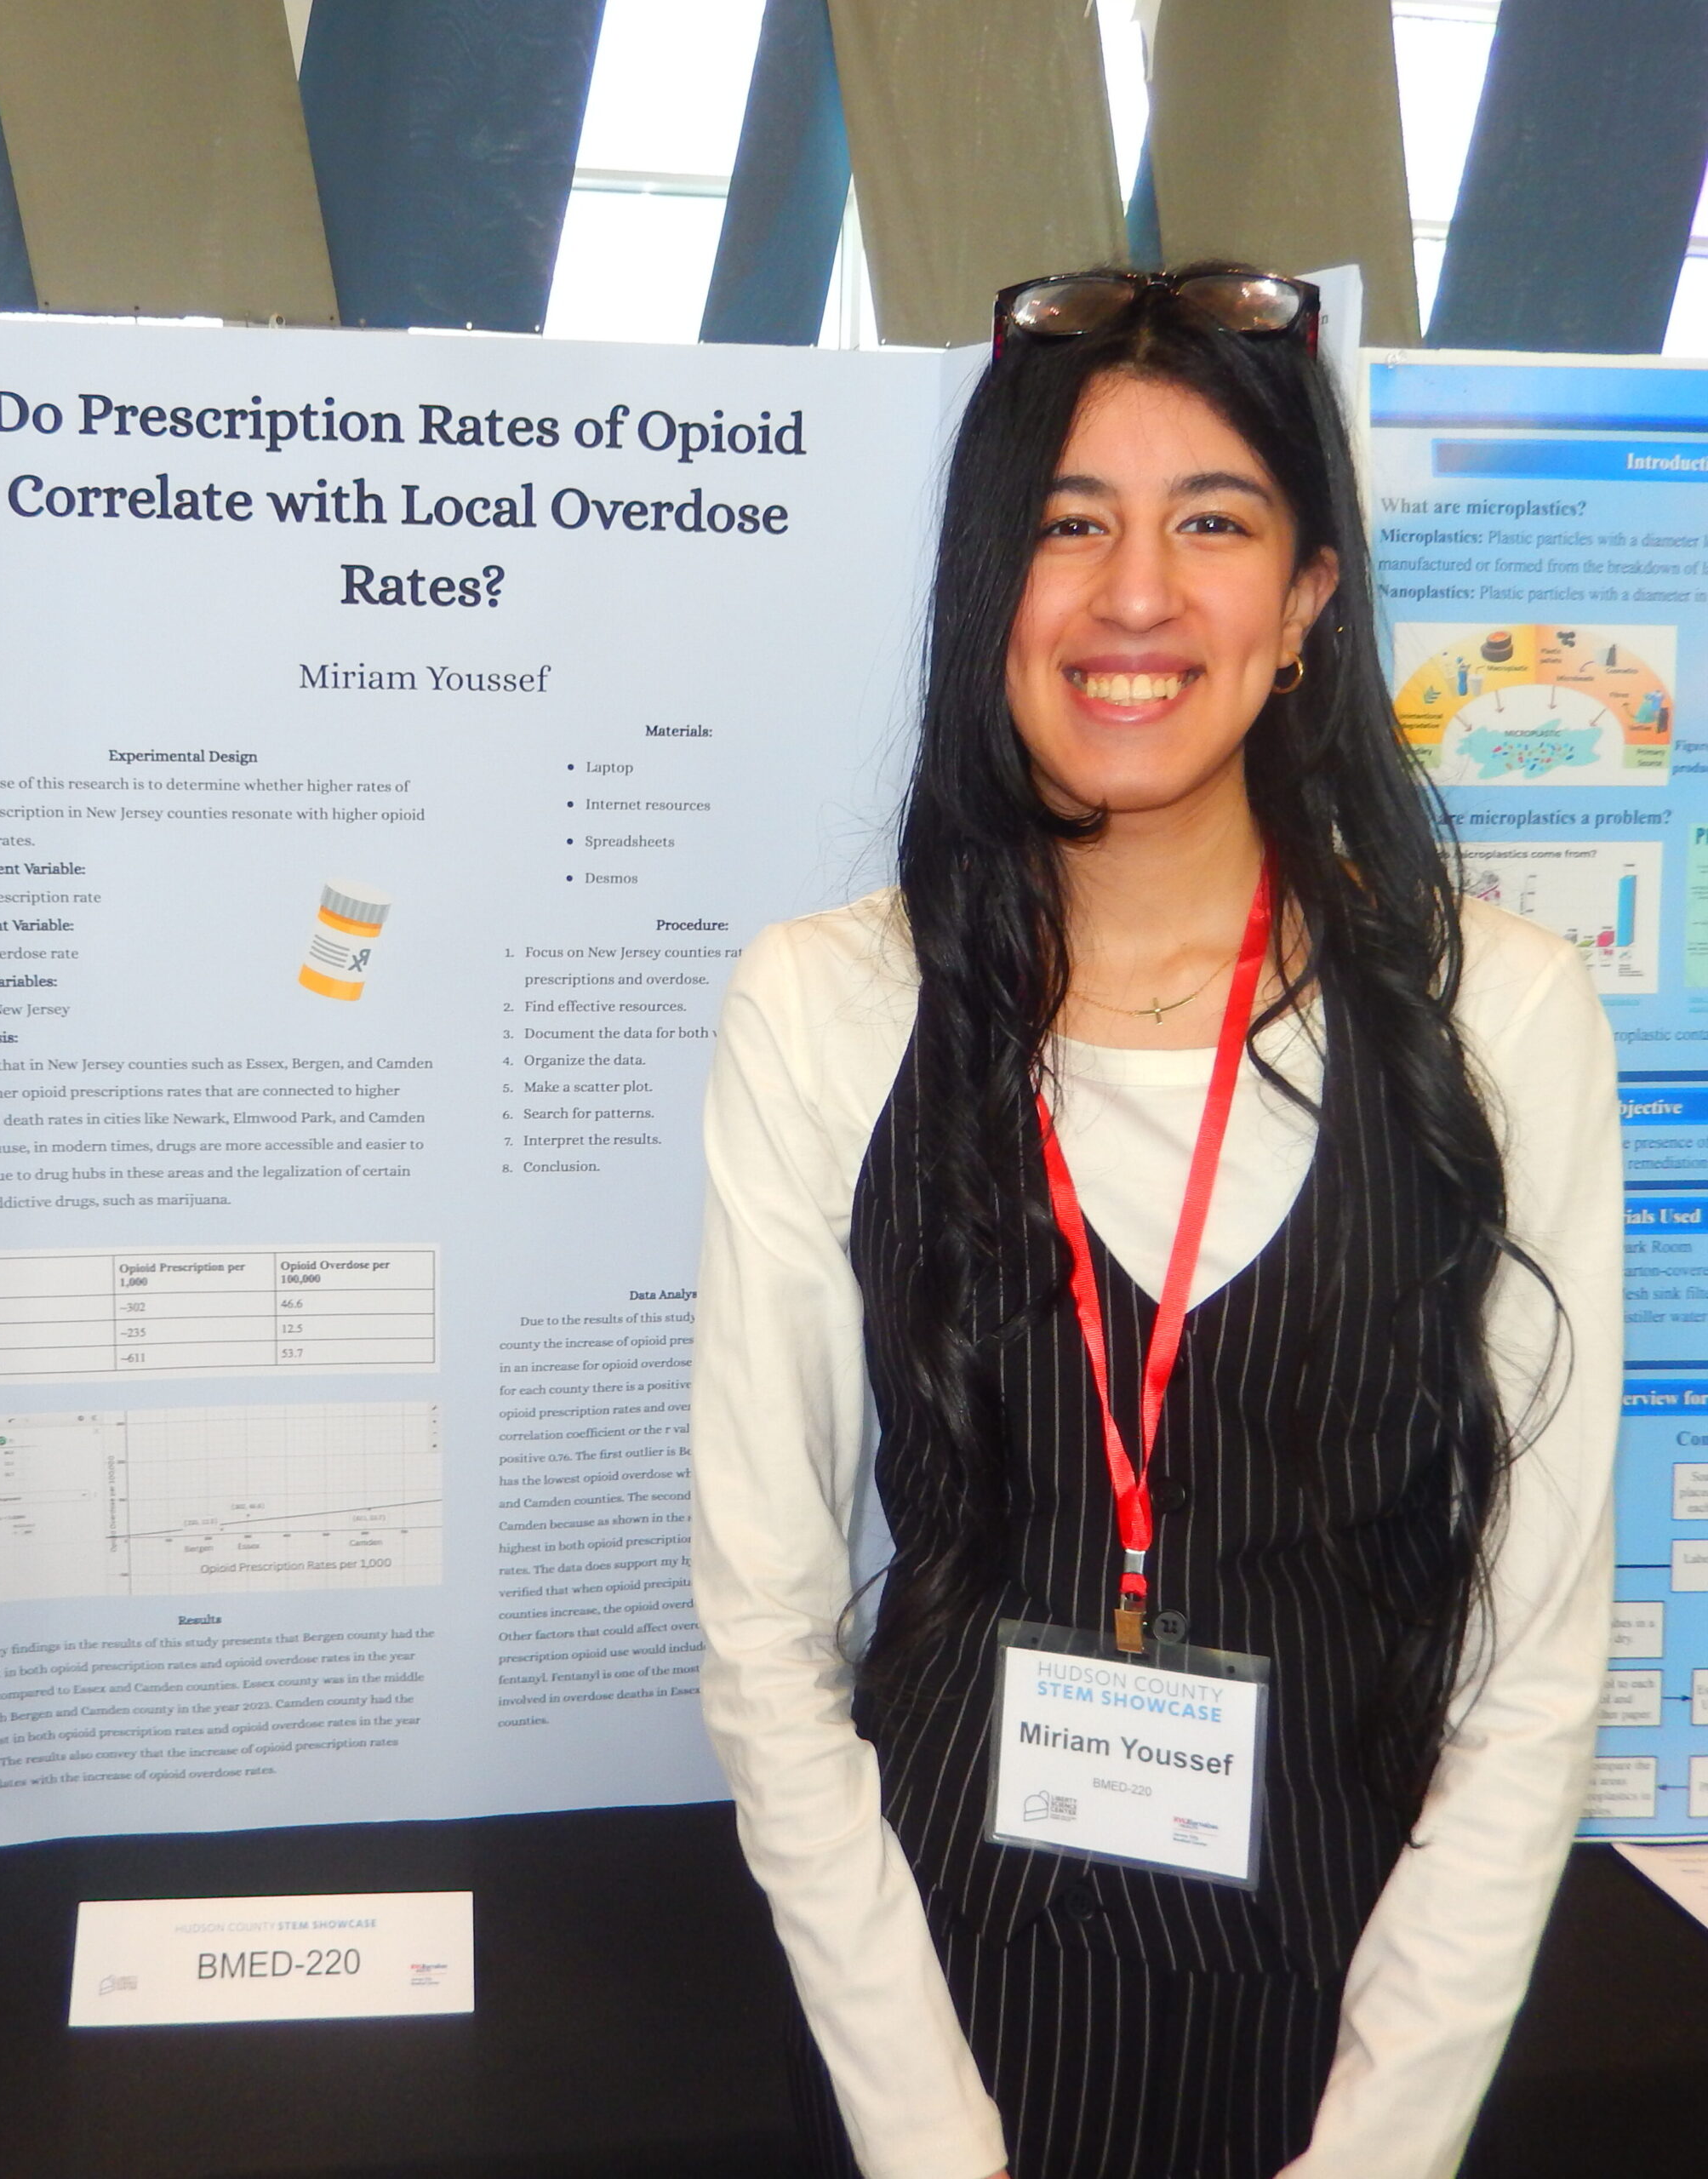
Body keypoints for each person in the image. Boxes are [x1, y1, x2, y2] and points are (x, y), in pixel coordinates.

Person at [689, 267, 1620, 2179]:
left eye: (1212, 523)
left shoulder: (1500, 1015)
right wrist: (930, 2139)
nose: (1135, 595)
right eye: (1067, 524)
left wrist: (1374, 2145)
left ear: (1306, 601)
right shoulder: (828, 1006)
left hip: (1345, 2006)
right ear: (988, 595)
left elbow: (1529, 1663)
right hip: (933, 1999)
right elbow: (765, 1637)